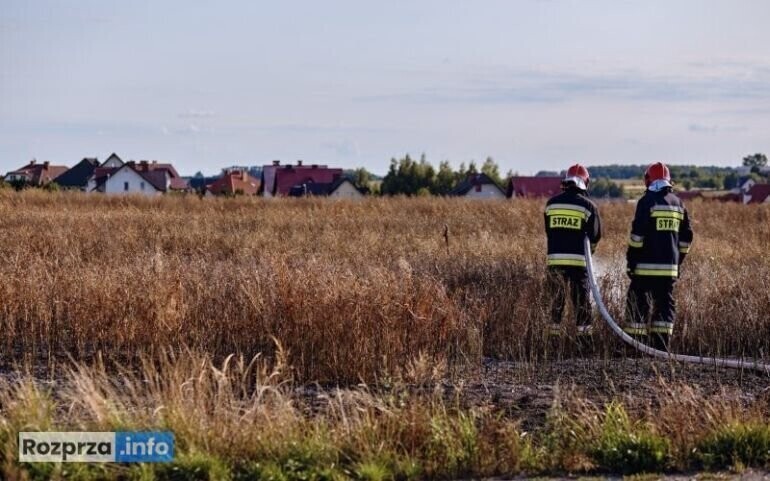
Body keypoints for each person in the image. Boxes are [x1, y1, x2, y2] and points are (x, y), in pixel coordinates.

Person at [625, 162, 694, 351]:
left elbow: (637, 236)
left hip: (644, 269)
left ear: (648, 180)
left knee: (638, 303)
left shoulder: (646, 202)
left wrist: (631, 262)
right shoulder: (678, 204)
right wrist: (677, 261)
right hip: (669, 270)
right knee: (664, 306)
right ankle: (661, 349)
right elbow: (687, 238)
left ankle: (636, 349)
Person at [544, 164, 602, 337]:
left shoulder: (551, 204)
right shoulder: (589, 207)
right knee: (582, 305)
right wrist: (589, 254)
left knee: (555, 304)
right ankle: (584, 344)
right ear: (585, 182)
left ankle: (552, 343)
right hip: (578, 264)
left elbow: (549, 232)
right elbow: (595, 236)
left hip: (555, 263)